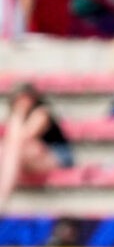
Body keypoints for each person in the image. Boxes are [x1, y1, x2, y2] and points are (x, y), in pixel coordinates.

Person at [0, 83, 72, 214]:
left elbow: (24, 137)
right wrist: (17, 115)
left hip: (57, 158)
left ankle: (3, 197)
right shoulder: (16, 117)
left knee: (12, 148)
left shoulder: (42, 112)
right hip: (29, 158)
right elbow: (12, 140)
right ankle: (3, 196)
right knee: (6, 149)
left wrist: (19, 114)